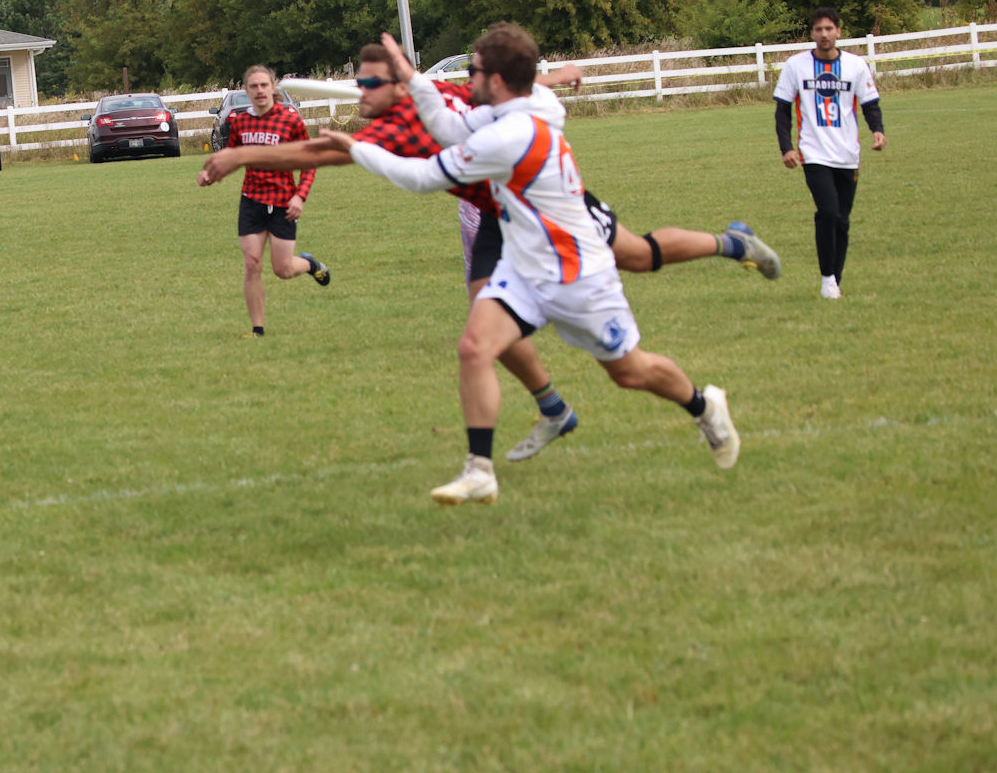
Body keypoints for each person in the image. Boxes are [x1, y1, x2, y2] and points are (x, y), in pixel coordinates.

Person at [200, 43, 775, 462]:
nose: (361, 91)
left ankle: (732, 242)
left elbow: (508, 88)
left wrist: (239, 157)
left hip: (541, 203)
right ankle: (552, 409)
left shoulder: (443, 99)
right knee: (485, 316)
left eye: (369, 82)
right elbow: (326, 152)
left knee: (639, 256)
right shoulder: (390, 125)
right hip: (493, 213)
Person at [322, 26, 739, 504]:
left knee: (630, 372)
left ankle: (705, 407)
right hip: (524, 268)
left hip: (578, 275)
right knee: (475, 348)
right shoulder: (514, 109)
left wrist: (356, 149)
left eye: (474, 69)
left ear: (497, 80)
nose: (467, 77)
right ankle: (480, 470)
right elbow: (449, 127)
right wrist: (413, 78)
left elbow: (422, 177)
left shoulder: (511, 134)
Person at [774, 6, 887, 299]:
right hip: (813, 153)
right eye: (818, 29)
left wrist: (877, 130)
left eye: (829, 29)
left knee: (842, 220)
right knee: (827, 212)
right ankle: (827, 278)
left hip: (848, 154)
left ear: (838, 31)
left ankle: (836, 278)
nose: (824, 34)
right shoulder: (796, 66)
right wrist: (787, 148)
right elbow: (782, 111)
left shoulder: (855, 65)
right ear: (812, 33)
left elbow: (870, 104)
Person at [226, 64, 329, 338]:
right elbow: (230, 157)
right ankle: (257, 330)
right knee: (252, 264)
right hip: (252, 202)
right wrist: (211, 173)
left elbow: (309, 162)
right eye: (254, 86)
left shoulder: (290, 120)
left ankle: (310, 264)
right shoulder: (240, 123)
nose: (260, 90)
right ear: (246, 90)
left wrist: (300, 196)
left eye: (264, 85)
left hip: (283, 203)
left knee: (282, 269)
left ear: (273, 88)